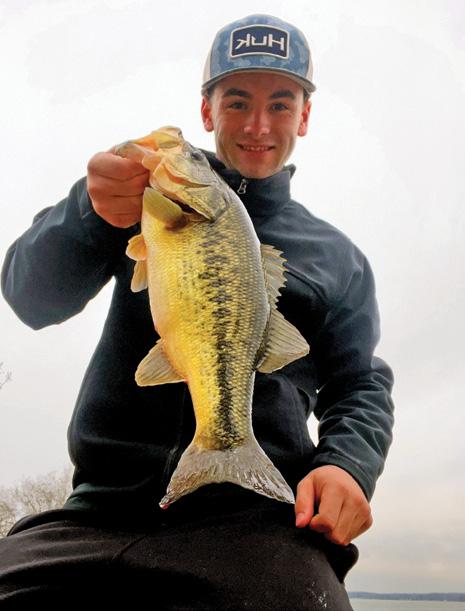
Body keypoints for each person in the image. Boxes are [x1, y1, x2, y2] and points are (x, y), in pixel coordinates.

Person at [0, 13, 394, 611]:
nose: (258, 125)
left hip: (257, 520)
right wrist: (88, 210)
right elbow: (30, 297)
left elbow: (359, 382)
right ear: (207, 112)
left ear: (304, 117)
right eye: (237, 102)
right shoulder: (144, 200)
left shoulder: (339, 258)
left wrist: (348, 465)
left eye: (280, 104)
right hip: (98, 512)